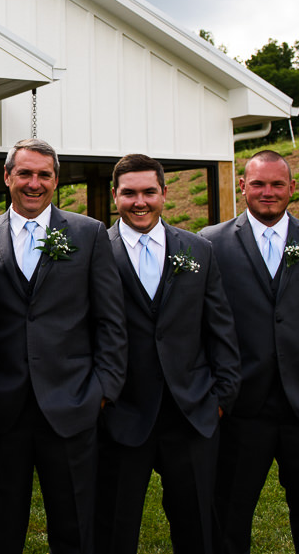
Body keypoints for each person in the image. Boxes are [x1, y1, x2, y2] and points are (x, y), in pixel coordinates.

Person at [200, 150, 299, 554]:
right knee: (227, 520)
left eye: (276, 184)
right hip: (240, 410)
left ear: (292, 188)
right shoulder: (211, 243)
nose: (267, 192)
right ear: (243, 186)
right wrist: (217, 396)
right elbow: (198, 325)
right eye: (258, 183)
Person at [0, 139, 126, 554]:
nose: (34, 183)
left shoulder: (89, 234)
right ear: (7, 177)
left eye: (44, 174)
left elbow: (110, 320)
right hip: (1, 408)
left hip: (72, 404)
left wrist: (102, 391)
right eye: (25, 173)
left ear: (56, 180)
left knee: (76, 523)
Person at [97, 153, 240, 554]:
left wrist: (221, 398)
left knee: (197, 528)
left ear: (165, 193)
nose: (139, 202)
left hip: (191, 412)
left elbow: (220, 328)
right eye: (129, 194)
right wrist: (101, 398)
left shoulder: (197, 249)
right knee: (113, 527)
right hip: (121, 413)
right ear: (115, 195)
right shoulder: (95, 251)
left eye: (148, 192)